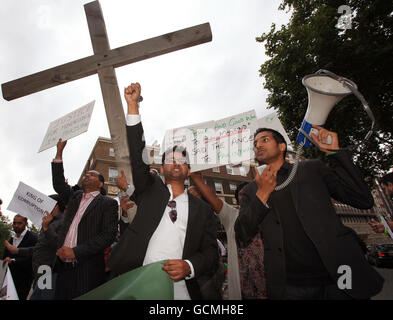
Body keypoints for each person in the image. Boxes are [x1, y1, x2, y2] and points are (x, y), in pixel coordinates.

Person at [234, 125, 384, 300]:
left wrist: (335, 154)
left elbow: (362, 199)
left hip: (341, 274)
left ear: (282, 146)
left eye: (265, 139)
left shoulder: (311, 169)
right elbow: (242, 233)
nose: (258, 145)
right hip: (292, 285)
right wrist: (262, 194)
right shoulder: (253, 190)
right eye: (255, 143)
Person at [108, 82, 219, 300]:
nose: (176, 162)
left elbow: (211, 253)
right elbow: (139, 155)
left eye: (182, 161)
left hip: (180, 290)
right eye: (170, 159)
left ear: (188, 171)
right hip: (137, 281)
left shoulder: (203, 210)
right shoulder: (151, 189)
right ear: (160, 169)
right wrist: (133, 108)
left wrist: (189, 266)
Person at [51, 138, 119, 300]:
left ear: (101, 183)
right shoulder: (74, 197)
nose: (87, 175)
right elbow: (59, 183)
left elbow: (107, 236)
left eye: (92, 174)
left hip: (86, 269)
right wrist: (59, 152)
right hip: (62, 267)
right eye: (86, 174)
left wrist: (75, 252)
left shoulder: (108, 204)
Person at [190, 173, 267, 300]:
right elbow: (212, 198)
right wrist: (195, 176)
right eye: (241, 196)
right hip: (240, 292)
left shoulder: (270, 219)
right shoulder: (232, 217)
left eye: (249, 195)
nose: (245, 199)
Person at [4, 194, 66, 300]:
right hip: (41, 271)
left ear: (55, 206)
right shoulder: (49, 223)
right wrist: (17, 250)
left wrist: (46, 228)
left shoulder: (63, 222)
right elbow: (39, 248)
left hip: (49, 270)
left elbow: (59, 245)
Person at [2, 214, 38, 300]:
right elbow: (5, 255)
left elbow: (32, 257)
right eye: (14, 223)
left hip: (24, 279)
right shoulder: (11, 238)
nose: (16, 225)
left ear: (26, 223)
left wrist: (13, 260)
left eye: (19, 223)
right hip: (8, 279)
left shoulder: (33, 238)